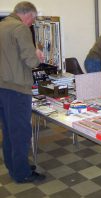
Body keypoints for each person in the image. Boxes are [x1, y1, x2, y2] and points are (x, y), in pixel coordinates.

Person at [0, 1, 46, 183]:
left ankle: (14, 166)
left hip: (2, 87)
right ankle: (22, 173)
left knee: (9, 131)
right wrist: (38, 55)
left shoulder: (2, 25)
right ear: (28, 15)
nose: (31, 24)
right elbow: (31, 61)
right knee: (20, 133)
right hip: (17, 89)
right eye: (32, 21)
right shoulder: (20, 28)